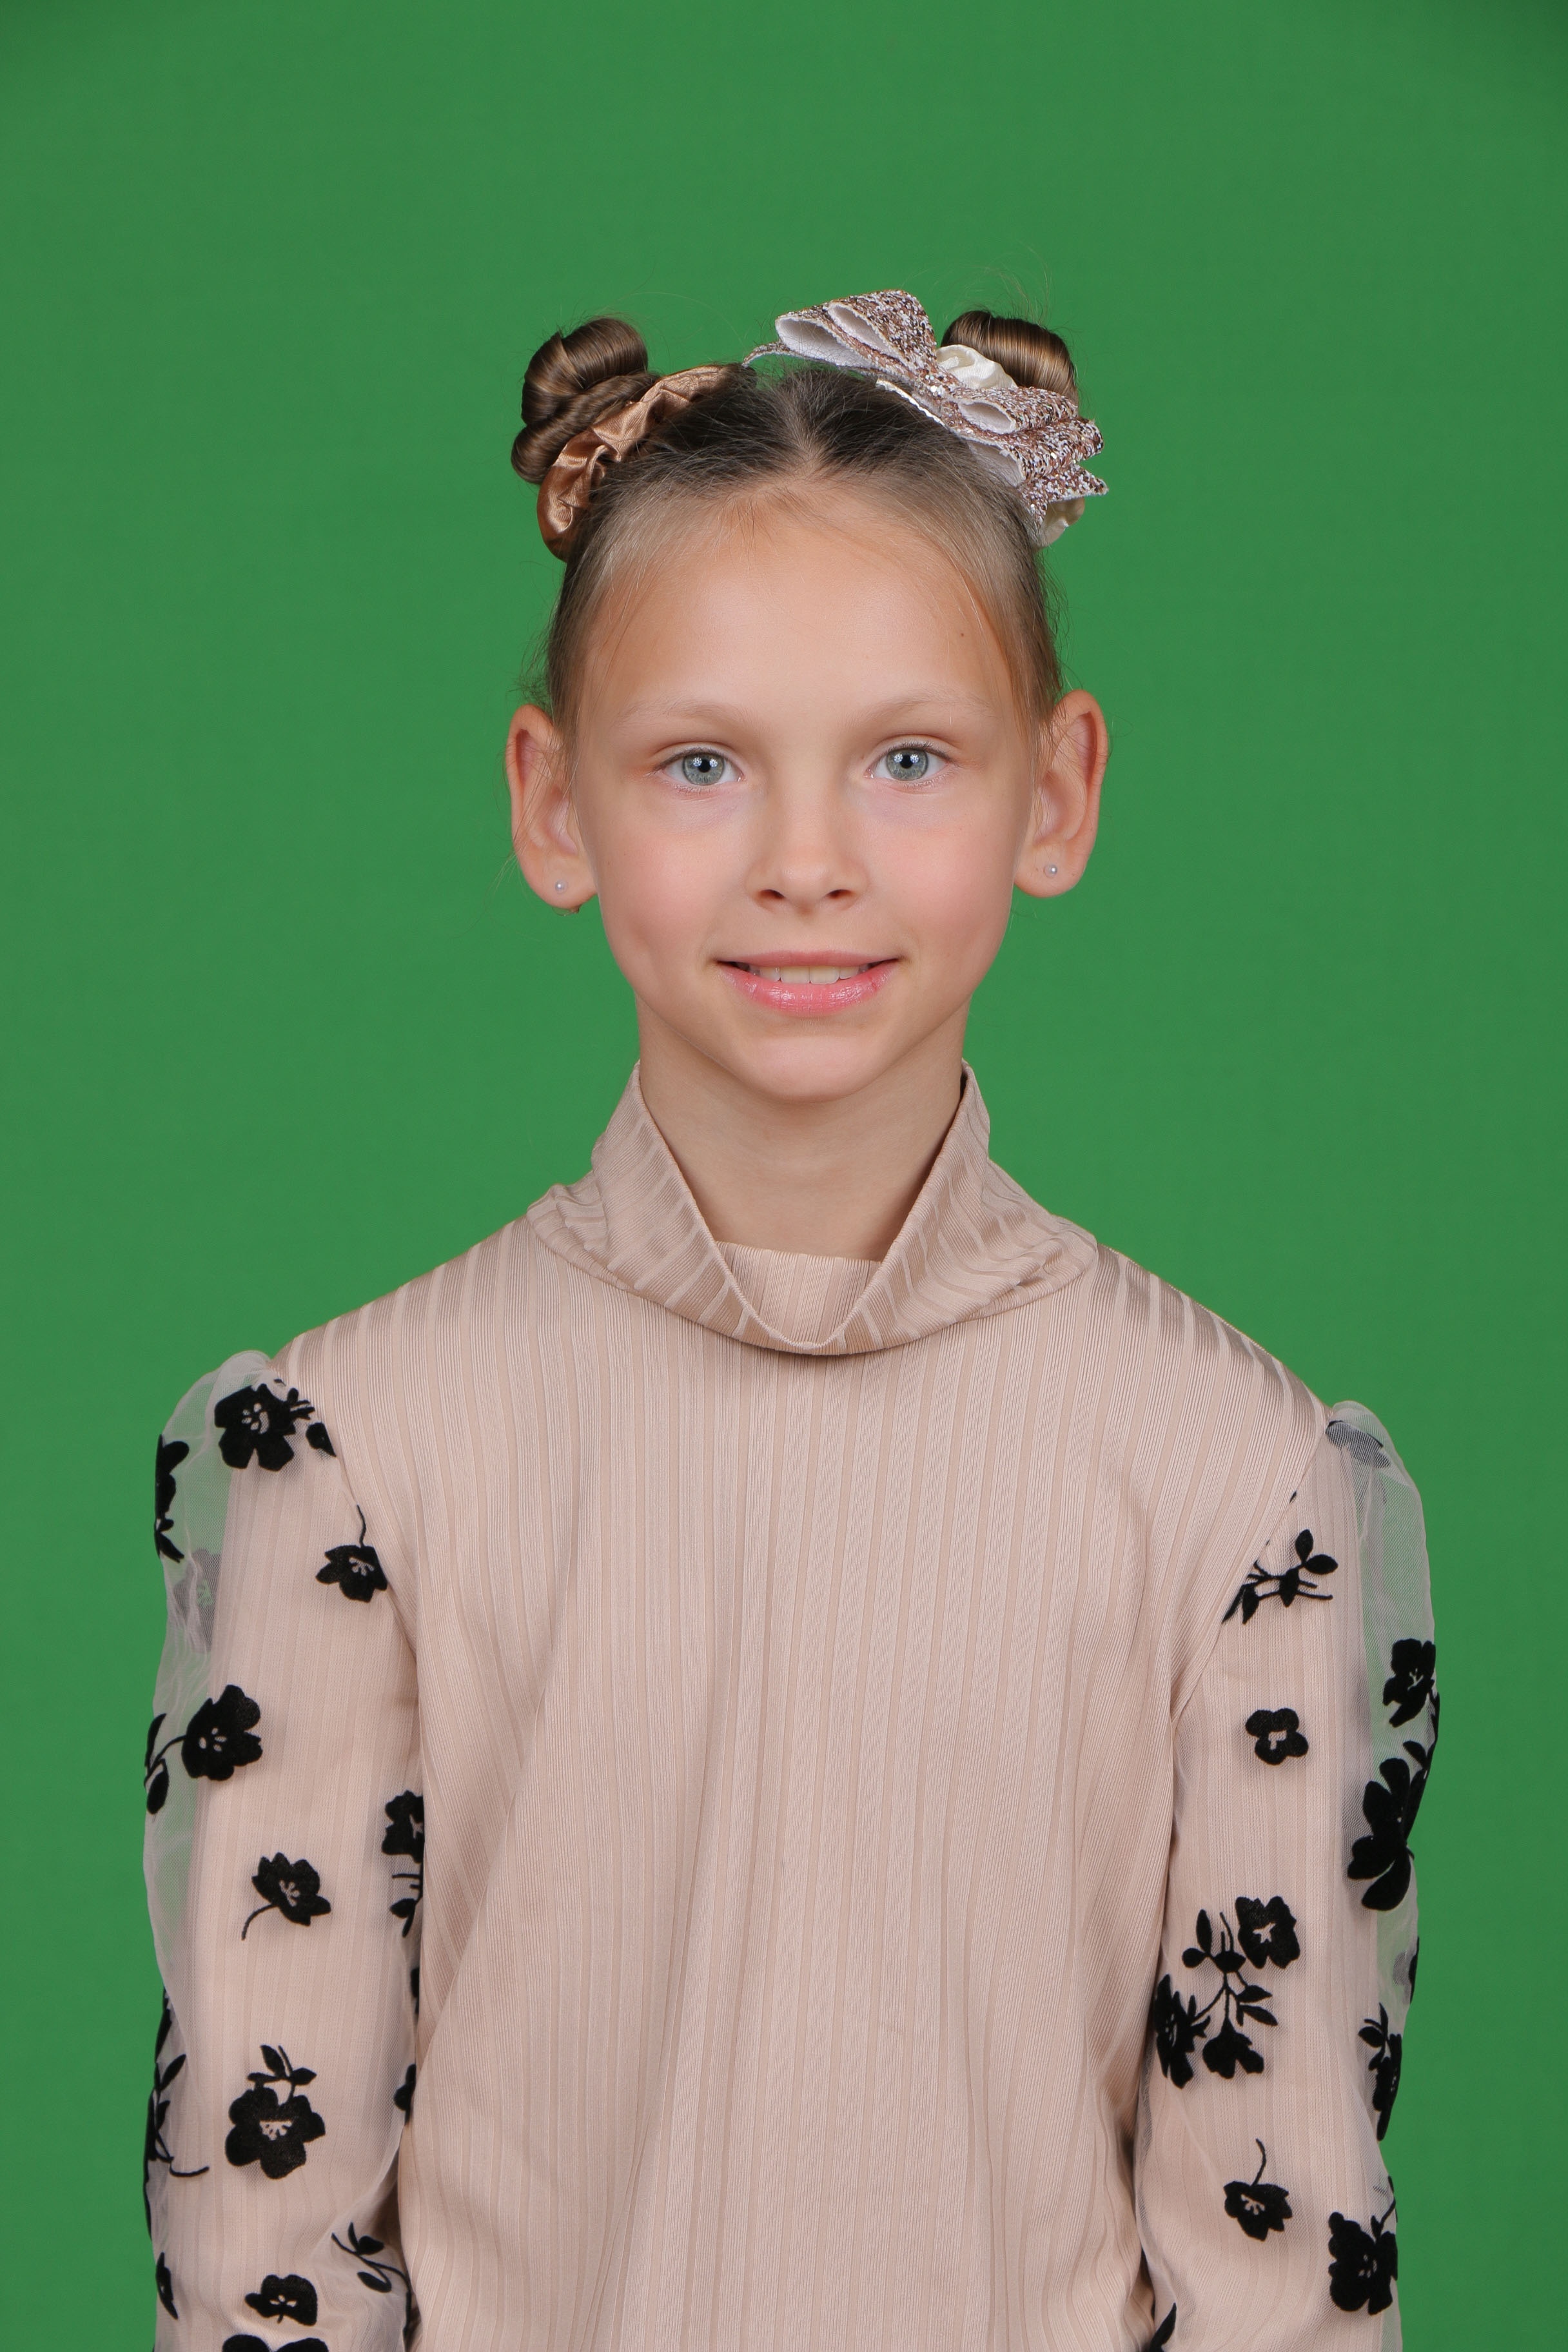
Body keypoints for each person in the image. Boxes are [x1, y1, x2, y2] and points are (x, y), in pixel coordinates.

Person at [141, 288, 1436, 2350]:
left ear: (1057, 791)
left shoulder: (1231, 1481)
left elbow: (1281, 2267)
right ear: (554, 803)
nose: (808, 861)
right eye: (703, 763)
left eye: (909, 759)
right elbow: (261, 2254)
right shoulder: (358, 1457)